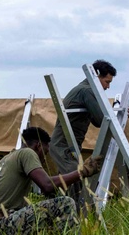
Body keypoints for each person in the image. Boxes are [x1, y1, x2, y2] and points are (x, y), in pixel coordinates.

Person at [0, 127, 103, 235]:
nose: (43, 160)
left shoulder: (6, 159)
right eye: (45, 153)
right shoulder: (28, 153)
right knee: (66, 203)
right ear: (38, 146)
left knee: (45, 210)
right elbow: (46, 185)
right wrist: (82, 172)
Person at [49, 59, 118, 209]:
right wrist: (117, 111)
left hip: (70, 146)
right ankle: (74, 221)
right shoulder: (86, 91)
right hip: (63, 147)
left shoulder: (85, 90)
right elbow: (101, 120)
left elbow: (96, 119)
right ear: (97, 76)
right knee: (74, 184)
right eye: (107, 81)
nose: (108, 87)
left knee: (70, 186)